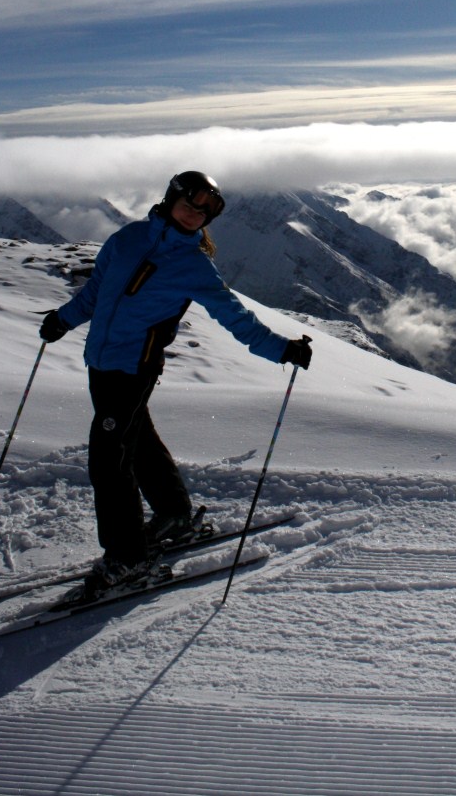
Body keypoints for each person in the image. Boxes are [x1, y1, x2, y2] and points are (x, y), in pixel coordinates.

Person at [39, 170, 312, 594]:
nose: (196, 214)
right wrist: (61, 321)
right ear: (171, 199)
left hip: (135, 369)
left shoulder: (192, 265)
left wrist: (281, 349)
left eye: (206, 211)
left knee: (108, 462)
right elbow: (96, 293)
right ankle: (175, 514)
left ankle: (128, 560)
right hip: (100, 364)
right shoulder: (126, 240)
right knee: (137, 439)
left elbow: (234, 315)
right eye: (191, 203)